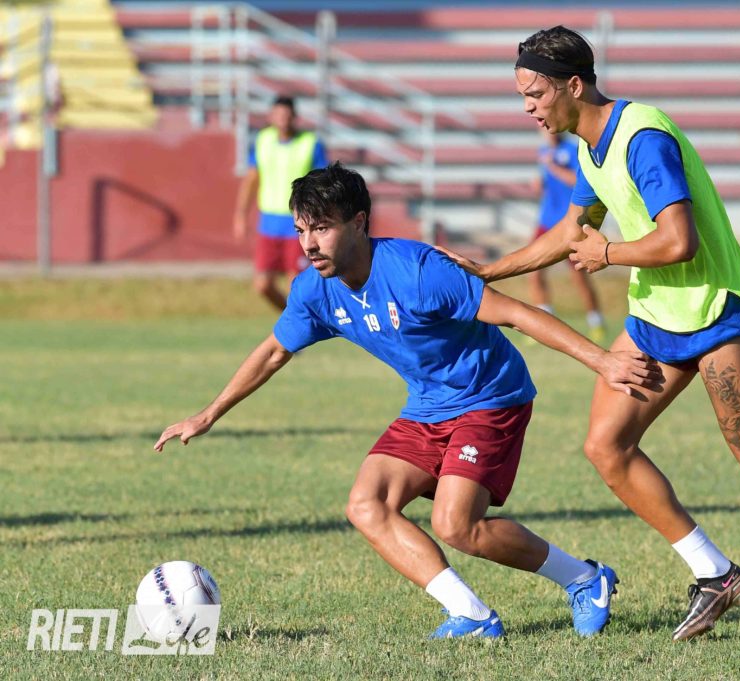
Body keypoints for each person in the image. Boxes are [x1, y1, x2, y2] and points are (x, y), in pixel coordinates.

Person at [442, 26, 740, 640]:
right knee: (607, 447)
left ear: (574, 85)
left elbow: (680, 241)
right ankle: (714, 573)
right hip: (656, 317)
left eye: (535, 93)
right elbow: (570, 232)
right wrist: (490, 270)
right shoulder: (590, 149)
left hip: (714, 311)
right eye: (523, 96)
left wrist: (609, 254)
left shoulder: (642, 137)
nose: (528, 108)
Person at [155, 162, 665, 639]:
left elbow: (516, 313)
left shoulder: (418, 269)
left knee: (456, 526)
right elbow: (273, 351)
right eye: (301, 230)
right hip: (427, 404)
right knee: (367, 504)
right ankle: (471, 614)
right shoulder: (315, 291)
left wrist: (603, 360)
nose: (309, 244)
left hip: (489, 395)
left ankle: (583, 578)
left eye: (322, 228)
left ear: (359, 222)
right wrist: (208, 414)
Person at [234, 96, 329, 310]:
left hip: (300, 222)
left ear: (295, 117)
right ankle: (293, 319)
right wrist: (241, 215)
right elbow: (252, 179)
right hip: (268, 222)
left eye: (287, 115)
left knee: (296, 284)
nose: (283, 119)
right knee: (262, 285)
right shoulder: (263, 140)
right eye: (278, 115)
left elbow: (323, 183)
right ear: (271, 117)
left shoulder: (310, 143)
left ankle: (299, 323)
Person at [530, 129, 605, 341]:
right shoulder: (544, 151)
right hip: (546, 220)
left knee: (578, 275)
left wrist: (553, 167)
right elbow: (547, 182)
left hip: (568, 222)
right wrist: (539, 185)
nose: (546, 131)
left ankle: (596, 321)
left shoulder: (573, 150)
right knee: (534, 272)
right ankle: (544, 323)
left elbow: (579, 181)